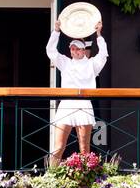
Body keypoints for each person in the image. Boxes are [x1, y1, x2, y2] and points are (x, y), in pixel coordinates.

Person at [45, 18, 107, 166]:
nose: (75, 51)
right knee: (58, 147)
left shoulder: (92, 64)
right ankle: (51, 178)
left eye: (78, 48)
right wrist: (56, 31)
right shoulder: (65, 62)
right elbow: (51, 51)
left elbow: (103, 55)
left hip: (84, 105)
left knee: (84, 149)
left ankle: (84, 180)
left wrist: (99, 35)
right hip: (66, 105)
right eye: (72, 48)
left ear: (84, 50)